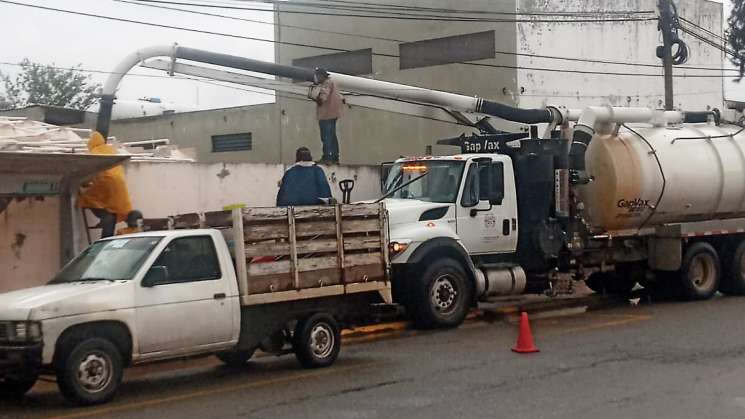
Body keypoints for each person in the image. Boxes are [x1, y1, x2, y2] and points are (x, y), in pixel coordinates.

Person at [78, 131, 133, 238]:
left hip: (106, 182)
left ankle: (105, 219)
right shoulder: (111, 150)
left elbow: (92, 171)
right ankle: (107, 229)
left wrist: (84, 182)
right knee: (112, 209)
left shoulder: (94, 151)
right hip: (119, 184)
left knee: (87, 199)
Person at [308, 68, 344, 164]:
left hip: (326, 114)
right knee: (332, 136)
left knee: (326, 136)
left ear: (321, 76)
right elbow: (341, 97)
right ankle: (335, 157)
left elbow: (322, 99)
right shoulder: (333, 83)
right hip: (334, 113)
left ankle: (327, 157)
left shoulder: (326, 84)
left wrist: (312, 96)